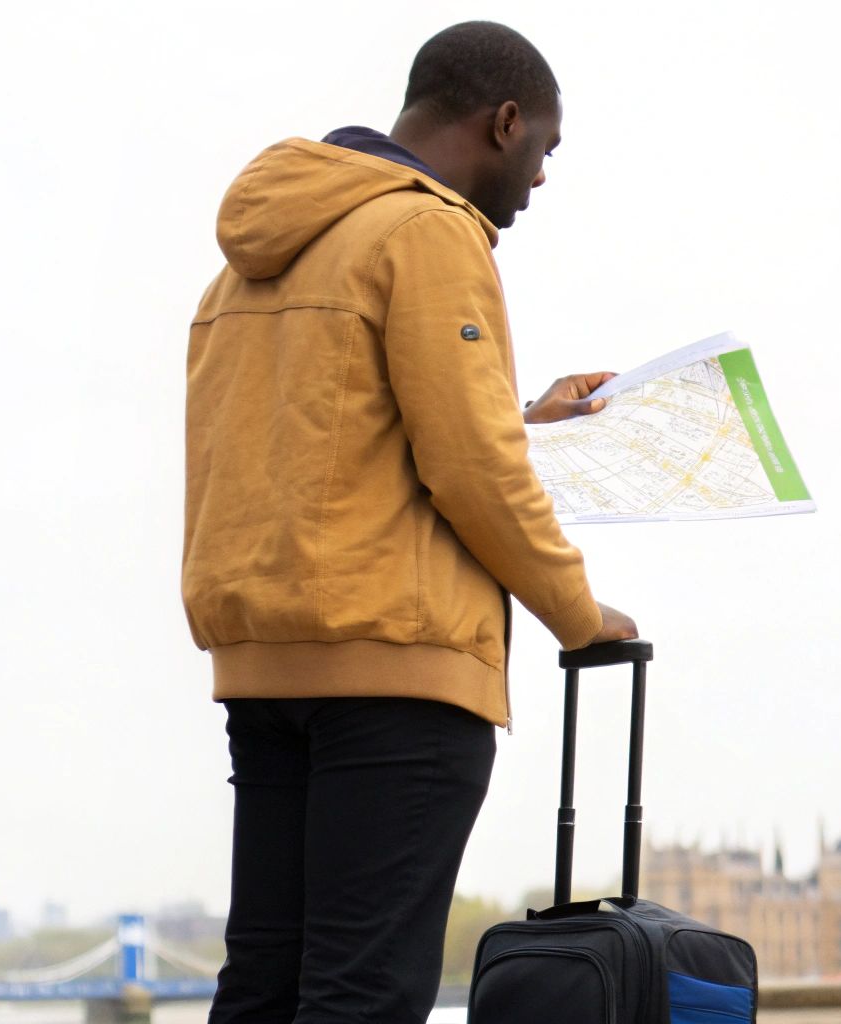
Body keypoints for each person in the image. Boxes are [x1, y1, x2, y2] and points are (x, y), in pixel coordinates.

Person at [181, 21, 637, 1023]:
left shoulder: (258, 253)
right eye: (543, 151)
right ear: (503, 121)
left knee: (264, 982)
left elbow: (321, 440)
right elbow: (469, 468)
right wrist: (576, 610)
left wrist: (523, 419)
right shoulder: (426, 230)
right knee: (364, 992)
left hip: (267, 664)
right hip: (398, 670)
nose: (540, 179)